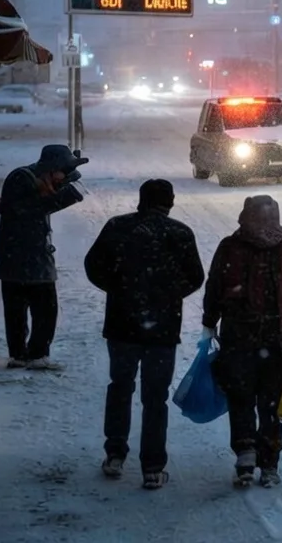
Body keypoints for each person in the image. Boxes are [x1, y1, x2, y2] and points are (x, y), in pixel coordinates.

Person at [84, 179, 205, 490]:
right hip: (162, 330)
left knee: (120, 387)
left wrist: (120, 288)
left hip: (122, 325)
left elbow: (93, 265)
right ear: (170, 202)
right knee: (155, 398)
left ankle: (115, 454)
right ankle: (152, 466)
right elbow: (195, 276)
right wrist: (166, 296)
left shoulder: (117, 227)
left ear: (141, 200)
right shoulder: (180, 233)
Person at [202, 195, 282, 488]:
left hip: (240, 336)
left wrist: (209, 321)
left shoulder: (231, 246)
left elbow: (216, 285)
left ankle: (246, 454)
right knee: (272, 402)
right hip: (280, 337)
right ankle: (269, 463)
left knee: (241, 397)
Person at [0, 144, 88, 370]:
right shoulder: (21, 178)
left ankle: (34, 354)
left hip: (31, 256)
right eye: (61, 173)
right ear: (51, 168)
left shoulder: (36, 180)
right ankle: (23, 355)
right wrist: (63, 198)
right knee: (27, 309)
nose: (61, 179)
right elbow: (22, 210)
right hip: (18, 256)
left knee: (42, 309)